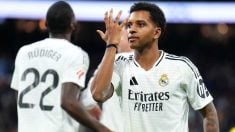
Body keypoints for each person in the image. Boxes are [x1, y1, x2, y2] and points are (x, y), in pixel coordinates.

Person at [91, 2, 219, 132]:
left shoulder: (182, 66)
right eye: (129, 25)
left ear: (156, 32)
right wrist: (111, 45)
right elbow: (98, 95)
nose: (132, 29)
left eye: (140, 24)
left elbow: (209, 113)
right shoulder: (120, 64)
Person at [10, 1, 110, 132]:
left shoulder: (23, 52)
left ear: (46, 24)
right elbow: (68, 102)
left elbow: (19, 94)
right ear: (72, 25)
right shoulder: (75, 53)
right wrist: (103, 129)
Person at [80, 27, 132, 132]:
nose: (118, 41)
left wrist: (96, 112)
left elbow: (87, 101)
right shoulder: (151, 65)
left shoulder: (112, 62)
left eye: (121, 37)